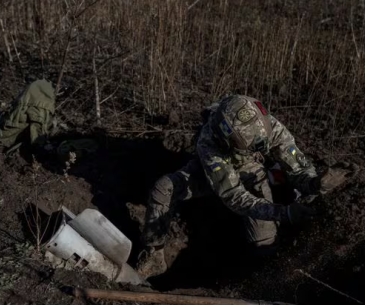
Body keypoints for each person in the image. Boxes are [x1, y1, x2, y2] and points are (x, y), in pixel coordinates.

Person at [137, 94, 350, 278]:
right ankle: (155, 254)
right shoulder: (209, 143)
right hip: (217, 170)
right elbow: (234, 196)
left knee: (263, 242)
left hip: (252, 169)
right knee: (164, 187)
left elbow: (295, 165)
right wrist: (283, 213)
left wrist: (315, 183)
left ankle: (266, 271)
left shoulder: (269, 127)